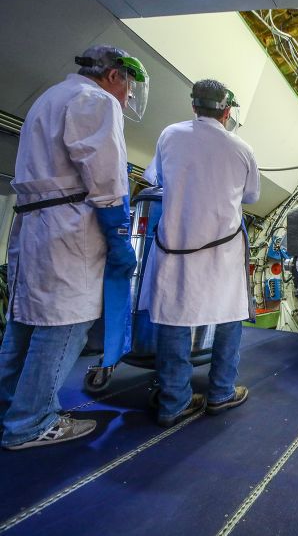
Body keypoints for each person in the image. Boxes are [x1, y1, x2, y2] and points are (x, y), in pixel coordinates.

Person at [0, 45, 149, 450]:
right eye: (128, 85)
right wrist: (119, 234)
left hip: (33, 225)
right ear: (114, 76)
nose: (129, 95)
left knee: (25, 322)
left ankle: (10, 409)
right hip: (68, 230)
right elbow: (106, 179)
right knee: (66, 323)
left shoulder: (49, 96)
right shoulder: (97, 100)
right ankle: (30, 424)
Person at [139, 79, 259, 427]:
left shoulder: (169, 135)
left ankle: (173, 402)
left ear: (194, 107)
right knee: (228, 316)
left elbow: (156, 178)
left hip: (176, 245)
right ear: (227, 111)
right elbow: (251, 196)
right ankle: (221, 392)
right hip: (222, 249)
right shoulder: (241, 148)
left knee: (174, 319)